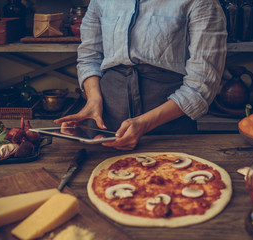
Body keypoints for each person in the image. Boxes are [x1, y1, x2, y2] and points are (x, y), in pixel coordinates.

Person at [54, 0, 227, 150]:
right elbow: (89, 56)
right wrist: (93, 101)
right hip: (106, 122)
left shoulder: (202, 3)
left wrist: (144, 123)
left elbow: (201, 85)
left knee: (171, 183)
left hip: (168, 125)